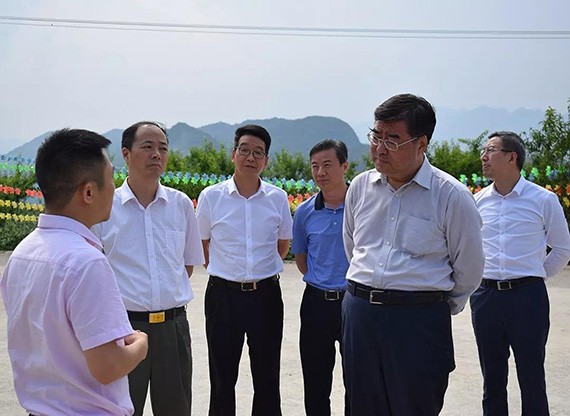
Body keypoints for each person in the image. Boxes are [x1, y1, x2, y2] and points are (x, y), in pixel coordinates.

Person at [342, 93, 485, 416]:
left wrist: (428, 305)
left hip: (418, 322)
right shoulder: (360, 188)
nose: (380, 148)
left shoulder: (451, 196)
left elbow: (470, 269)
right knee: (361, 405)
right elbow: (353, 247)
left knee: (415, 406)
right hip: (360, 315)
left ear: (421, 144)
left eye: (392, 140)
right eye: (376, 136)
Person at [0, 129, 148, 416]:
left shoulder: (23, 252)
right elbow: (107, 367)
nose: (114, 188)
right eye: (111, 178)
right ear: (89, 192)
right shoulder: (86, 262)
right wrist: (140, 346)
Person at [92, 121, 204, 416]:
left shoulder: (180, 204)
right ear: (126, 154)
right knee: (122, 409)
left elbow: (186, 266)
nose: (157, 154)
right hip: (123, 330)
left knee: (176, 409)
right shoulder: (105, 207)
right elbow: (93, 271)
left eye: (163, 148)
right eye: (148, 147)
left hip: (173, 328)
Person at [196, 124, 293, 416]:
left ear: (266, 160)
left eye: (258, 153)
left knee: (267, 376)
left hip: (266, 296)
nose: (251, 157)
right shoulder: (211, 197)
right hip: (223, 296)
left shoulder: (277, 198)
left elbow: (282, 245)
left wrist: (257, 271)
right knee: (222, 376)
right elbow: (203, 243)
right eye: (245, 150)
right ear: (233, 154)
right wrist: (228, 270)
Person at [470, 131, 570, 415]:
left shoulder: (543, 199)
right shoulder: (478, 201)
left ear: (511, 157)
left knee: (531, 375)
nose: (483, 157)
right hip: (486, 297)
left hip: (528, 299)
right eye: (483, 151)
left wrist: (532, 276)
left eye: (490, 150)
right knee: (492, 378)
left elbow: (562, 249)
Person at [291, 139, 350, 416]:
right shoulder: (304, 212)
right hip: (316, 304)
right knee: (315, 384)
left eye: (327, 164)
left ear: (345, 166)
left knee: (358, 381)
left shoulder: (362, 206)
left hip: (354, 303)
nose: (320, 172)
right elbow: (302, 261)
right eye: (315, 166)